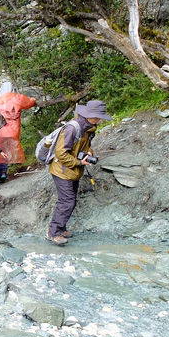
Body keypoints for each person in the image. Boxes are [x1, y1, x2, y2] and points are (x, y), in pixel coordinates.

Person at [47, 100, 110, 245]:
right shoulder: (73, 128)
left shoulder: (88, 128)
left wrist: (88, 152)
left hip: (72, 171)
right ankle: (53, 232)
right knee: (66, 202)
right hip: (62, 171)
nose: (99, 120)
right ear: (89, 115)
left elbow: (84, 146)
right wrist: (79, 162)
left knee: (70, 200)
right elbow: (61, 153)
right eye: (97, 117)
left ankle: (61, 228)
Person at [0, 81, 36, 184]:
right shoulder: (17, 99)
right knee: (8, 151)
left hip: (1, 132)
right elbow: (29, 102)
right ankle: (3, 173)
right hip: (14, 132)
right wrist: (33, 100)